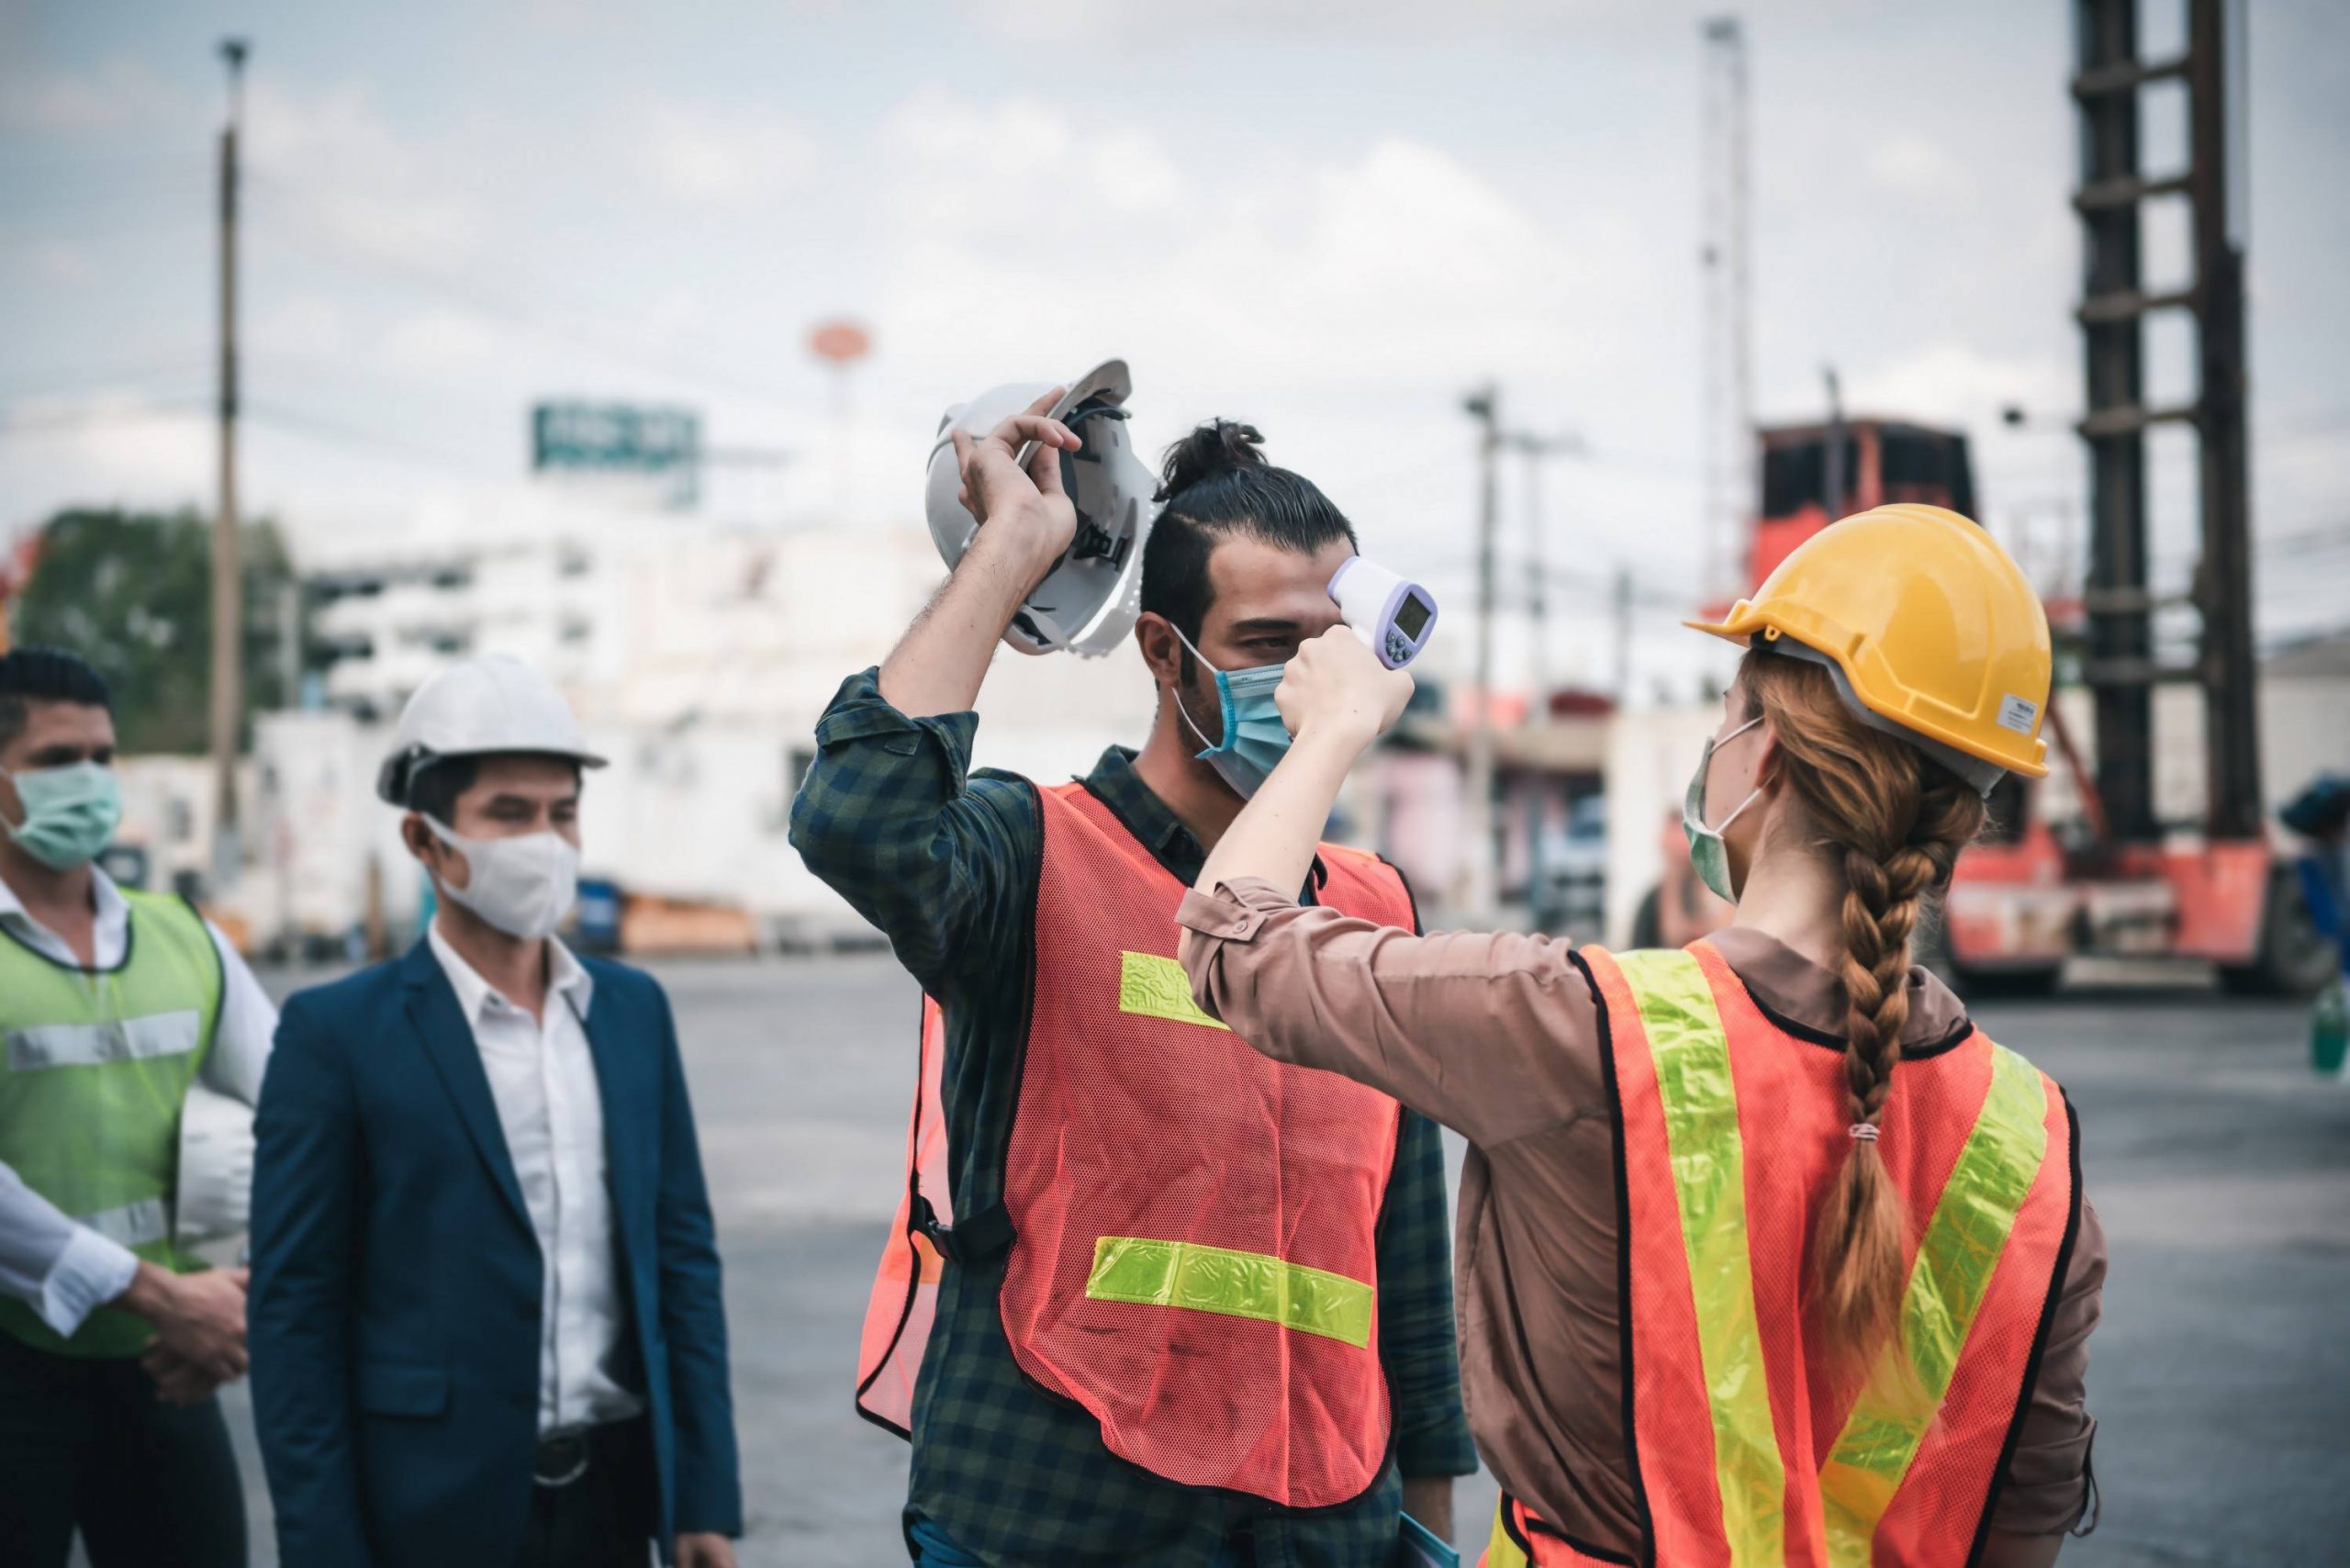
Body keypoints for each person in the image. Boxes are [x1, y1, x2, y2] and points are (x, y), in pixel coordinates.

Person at [1175, 505, 2104, 1567]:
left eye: (1724, 713)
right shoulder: (2029, 1138)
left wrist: (1334, 729)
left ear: (1765, 760)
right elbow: (2025, 1506)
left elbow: (1231, 944)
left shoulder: (1579, 1026)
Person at [791, 397, 1476, 1565]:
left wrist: (1426, 1530)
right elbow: (859, 820)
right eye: (1267, 646)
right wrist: (1008, 555)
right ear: (1165, 651)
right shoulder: (1035, 850)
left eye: (1332, 644)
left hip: (1324, 1519)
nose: (1309, 683)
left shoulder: (1372, 905)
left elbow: (1400, 1258)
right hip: (1058, 1510)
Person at [248, 655, 742, 1568]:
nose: (545, 843)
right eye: (509, 816)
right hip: (427, 1515)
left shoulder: (631, 1013)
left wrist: (701, 1495)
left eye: (562, 813)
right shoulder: (335, 1036)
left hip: (615, 1501)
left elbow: (681, 1260)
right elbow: (295, 1318)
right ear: (425, 840)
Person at [0, 645, 276, 1568]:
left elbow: (305, 1123)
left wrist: (239, 1305)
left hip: (166, 1373)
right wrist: (161, 1295)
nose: (89, 782)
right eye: (54, 761)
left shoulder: (183, 934)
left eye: (102, 757)